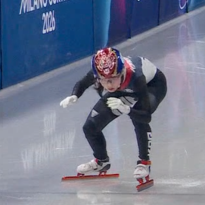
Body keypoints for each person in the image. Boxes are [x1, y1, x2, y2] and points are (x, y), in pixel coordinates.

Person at [61, 47, 168, 183]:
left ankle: (144, 162)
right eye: (103, 80)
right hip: (122, 88)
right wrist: (74, 95)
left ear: (121, 72)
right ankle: (101, 161)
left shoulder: (136, 77)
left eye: (112, 78)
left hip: (151, 86)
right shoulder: (101, 70)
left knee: (138, 118)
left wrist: (127, 110)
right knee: (90, 127)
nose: (108, 84)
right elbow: (83, 83)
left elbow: (146, 117)